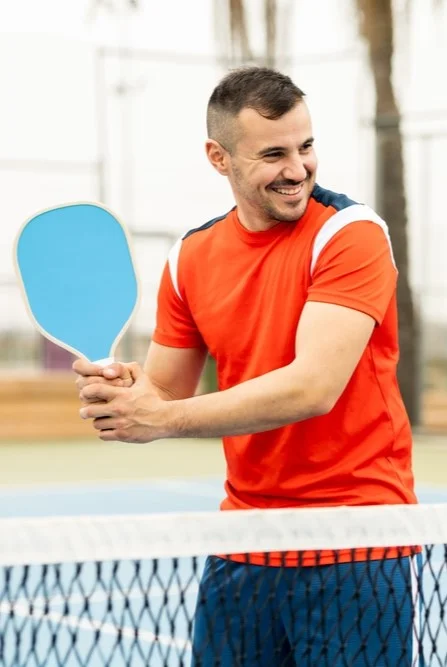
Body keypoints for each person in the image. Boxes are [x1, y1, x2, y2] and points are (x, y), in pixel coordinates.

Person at [74, 67, 419, 666]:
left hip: (357, 543)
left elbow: (313, 387)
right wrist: (125, 394)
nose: (298, 169)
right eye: (274, 154)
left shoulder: (350, 235)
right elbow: (164, 389)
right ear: (219, 157)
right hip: (244, 544)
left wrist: (162, 418)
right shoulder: (191, 257)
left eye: (306, 147)